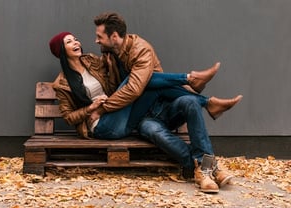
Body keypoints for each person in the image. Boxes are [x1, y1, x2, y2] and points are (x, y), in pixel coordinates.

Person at [93, 12, 243, 193]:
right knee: (146, 84)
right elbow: (123, 88)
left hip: (163, 107)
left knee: (186, 101)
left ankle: (205, 166)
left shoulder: (141, 49)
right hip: (142, 118)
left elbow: (133, 89)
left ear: (114, 36)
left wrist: (103, 109)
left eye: (99, 37)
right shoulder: (109, 56)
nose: (96, 41)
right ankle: (209, 166)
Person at [49, 32, 239, 141]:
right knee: (138, 79)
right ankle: (193, 82)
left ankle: (203, 96)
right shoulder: (63, 83)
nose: (76, 42)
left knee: (146, 81)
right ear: (61, 51)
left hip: (117, 111)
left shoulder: (91, 60)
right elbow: (68, 118)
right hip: (100, 124)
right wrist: (91, 107)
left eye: (75, 39)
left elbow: (113, 75)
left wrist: (113, 53)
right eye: (69, 41)